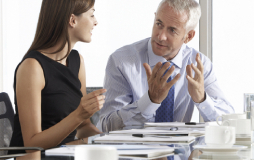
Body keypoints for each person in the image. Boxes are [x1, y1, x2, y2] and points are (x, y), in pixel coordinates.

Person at [97, 0, 234, 132]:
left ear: (188, 36)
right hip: (133, 154)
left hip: (181, 153)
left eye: (172, 30)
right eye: (159, 24)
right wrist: (149, 101)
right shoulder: (121, 61)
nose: (161, 36)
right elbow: (106, 127)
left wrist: (202, 99)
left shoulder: (198, 65)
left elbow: (229, 123)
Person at [9, 0, 106, 154]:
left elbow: (84, 127)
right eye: (92, 15)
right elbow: (31, 144)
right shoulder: (32, 67)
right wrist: (78, 114)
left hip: (68, 154)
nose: (96, 22)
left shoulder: (77, 61)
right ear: (72, 20)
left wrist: (110, 143)